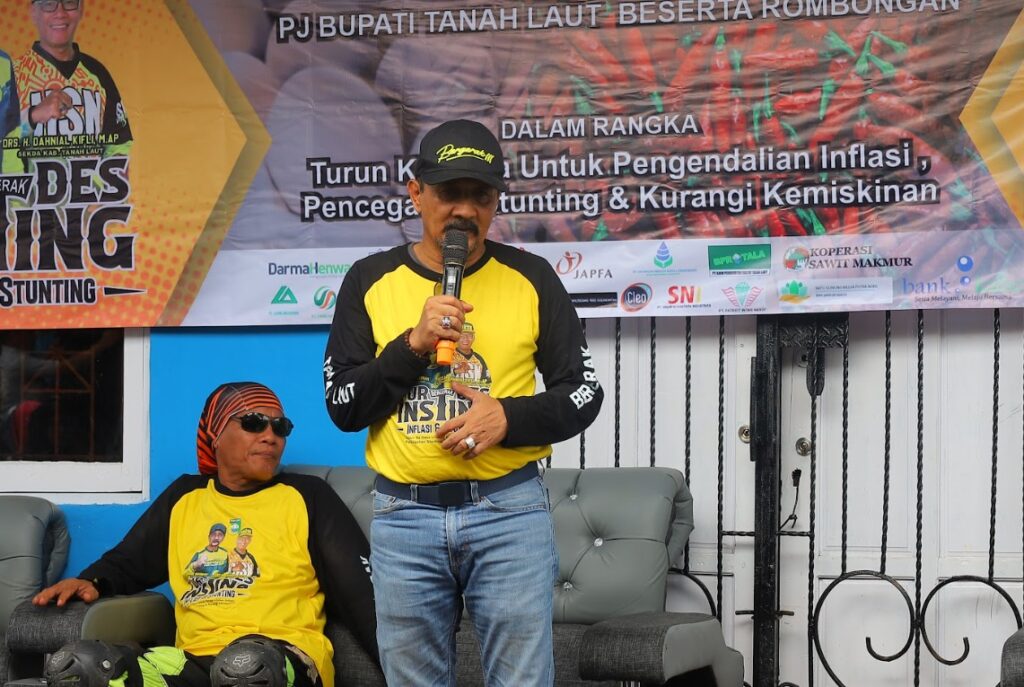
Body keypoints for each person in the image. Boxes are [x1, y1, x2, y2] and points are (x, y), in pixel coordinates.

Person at [323, 119, 604, 686]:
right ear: (416, 192)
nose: (465, 211)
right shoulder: (369, 279)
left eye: (481, 196)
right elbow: (343, 405)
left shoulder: (531, 277)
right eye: (450, 193)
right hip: (403, 518)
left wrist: (509, 417)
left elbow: (584, 392)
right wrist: (412, 346)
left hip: (509, 513)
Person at [33, 382, 377, 687]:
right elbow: (128, 561)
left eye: (280, 426)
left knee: (245, 669)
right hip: (193, 662)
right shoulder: (185, 497)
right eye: (253, 422)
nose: (270, 435)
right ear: (215, 434)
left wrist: (400, 668)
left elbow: (362, 593)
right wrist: (91, 580)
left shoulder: (307, 496)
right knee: (83, 669)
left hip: (280, 658)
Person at [15, 0, 132, 160]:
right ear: (34, 12)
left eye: (69, 2)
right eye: (49, 4)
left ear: (81, 9)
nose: (60, 13)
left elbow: (120, 143)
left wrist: (108, 172)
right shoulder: (12, 75)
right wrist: (32, 116)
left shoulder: (98, 73)